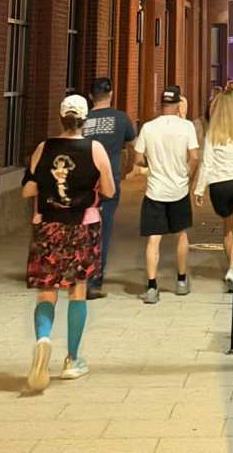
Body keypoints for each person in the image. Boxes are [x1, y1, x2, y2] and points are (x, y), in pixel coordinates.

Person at [22, 94, 115, 390]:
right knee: (77, 291)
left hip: (48, 225)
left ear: (60, 118)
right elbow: (110, 190)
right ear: (84, 119)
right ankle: (72, 360)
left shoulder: (43, 148)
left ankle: (43, 339)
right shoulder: (95, 149)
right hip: (83, 225)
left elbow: (28, 190)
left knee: (46, 292)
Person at [133, 85, 199, 303]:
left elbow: (138, 159)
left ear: (161, 104)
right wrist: (187, 175)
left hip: (155, 190)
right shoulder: (187, 127)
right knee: (181, 235)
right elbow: (194, 156)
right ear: (179, 104)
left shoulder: (148, 128)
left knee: (154, 239)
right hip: (179, 189)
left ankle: (152, 287)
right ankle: (181, 281)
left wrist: (151, 164)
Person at [82, 76, 136, 299]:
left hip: (84, 182)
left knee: (82, 228)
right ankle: (94, 281)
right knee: (103, 230)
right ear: (111, 94)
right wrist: (129, 168)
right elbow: (133, 146)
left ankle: (79, 273)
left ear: (91, 96)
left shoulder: (82, 120)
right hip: (109, 182)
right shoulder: (121, 119)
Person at [193, 90, 233, 292]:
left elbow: (206, 163)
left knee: (228, 229)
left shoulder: (213, 134)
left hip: (220, 186)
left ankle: (231, 268)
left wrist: (199, 189)